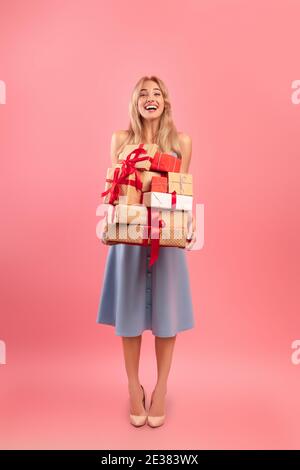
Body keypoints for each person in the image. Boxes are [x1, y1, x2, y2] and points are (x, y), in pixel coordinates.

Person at [96, 75, 196, 427]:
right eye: (143, 93)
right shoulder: (121, 140)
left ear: (165, 102)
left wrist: (189, 222)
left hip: (165, 240)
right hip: (128, 241)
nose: (150, 97)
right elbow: (114, 189)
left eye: (157, 93)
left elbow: (182, 194)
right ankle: (132, 387)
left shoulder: (181, 143)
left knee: (166, 319)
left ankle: (162, 388)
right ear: (135, 102)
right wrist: (108, 223)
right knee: (130, 318)